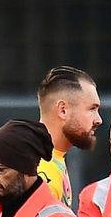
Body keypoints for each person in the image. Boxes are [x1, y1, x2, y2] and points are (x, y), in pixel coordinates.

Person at [37, 66, 103, 208]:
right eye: (92, 109)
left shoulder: (53, 159)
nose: (99, 120)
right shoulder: (42, 170)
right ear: (63, 110)